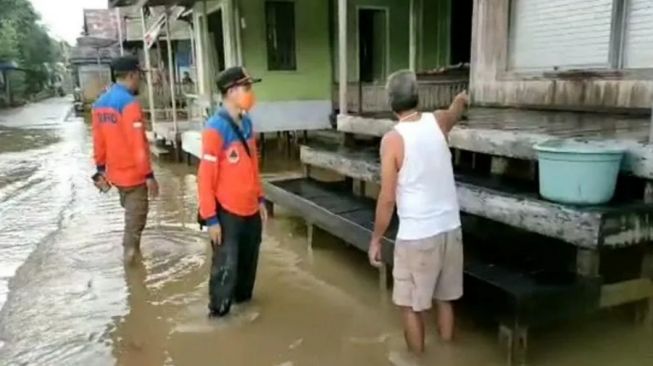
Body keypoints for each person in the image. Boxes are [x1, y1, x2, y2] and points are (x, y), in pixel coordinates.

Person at [368, 70, 468, 354]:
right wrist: (462, 99)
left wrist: (376, 239)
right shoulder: (437, 121)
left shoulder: (393, 140)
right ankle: (450, 355)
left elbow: (387, 199)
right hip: (450, 230)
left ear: (390, 103)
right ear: (417, 96)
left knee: (409, 306)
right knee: (445, 299)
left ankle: (417, 360)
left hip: (417, 237)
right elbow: (454, 112)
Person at [197, 66, 267, 318]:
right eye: (247, 88)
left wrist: (259, 199)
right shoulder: (215, 128)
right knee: (225, 271)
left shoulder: (247, 123)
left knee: (247, 273)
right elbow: (205, 177)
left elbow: (252, 166)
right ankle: (218, 317)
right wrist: (211, 219)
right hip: (227, 213)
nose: (251, 93)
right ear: (231, 91)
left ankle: (245, 315)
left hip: (250, 210)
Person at [91, 56, 159, 263]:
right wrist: (149, 175)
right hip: (135, 177)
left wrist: (101, 169)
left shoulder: (99, 103)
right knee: (135, 227)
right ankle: (133, 276)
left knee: (131, 219)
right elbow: (138, 144)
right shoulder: (129, 104)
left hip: (115, 176)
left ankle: (133, 261)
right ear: (132, 75)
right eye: (139, 76)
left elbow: (98, 141)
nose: (139, 80)